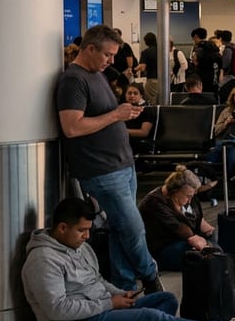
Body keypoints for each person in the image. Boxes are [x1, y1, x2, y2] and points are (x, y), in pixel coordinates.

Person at [22, 197, 235, 321]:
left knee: (166, 299)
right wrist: (109, 304)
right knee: (150, 317)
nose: (86, 237)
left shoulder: (79, 247)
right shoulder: (42, 259)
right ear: (62, 227)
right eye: (81, 231)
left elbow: (98, 280)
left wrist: (120, 294)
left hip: (98, 309)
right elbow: (57, 309)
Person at [56, 25, 161, 294]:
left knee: (120, 230)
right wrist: (115, 116)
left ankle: (124, 288)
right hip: (101, 170)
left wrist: (123, 113)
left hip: (122, 164)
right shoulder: (74, 80)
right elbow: (72, 127)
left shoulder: (97, 74)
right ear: (90, 49)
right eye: (107, 55)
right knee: (133, 228)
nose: (111, 61)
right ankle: (150, 276)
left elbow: (104, 114)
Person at [138, 166, 217, 271]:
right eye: (188, 196)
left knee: (215, 249)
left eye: (191, 196)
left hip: (184, 240)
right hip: (163, 247)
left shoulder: (186, 196)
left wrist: (209, 233)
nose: (189, 200)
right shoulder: (154, 202)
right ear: (175, 191)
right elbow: (178, 227)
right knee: (199, 256)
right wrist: (197, 241)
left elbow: (198, 219)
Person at [135, 32, 160, 104]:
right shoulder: (162, 51)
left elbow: (142, 67)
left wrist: (135, 69)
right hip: (165, 81)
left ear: (146, 42)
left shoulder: (146, 52)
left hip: (152, 80)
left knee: (151, 101)